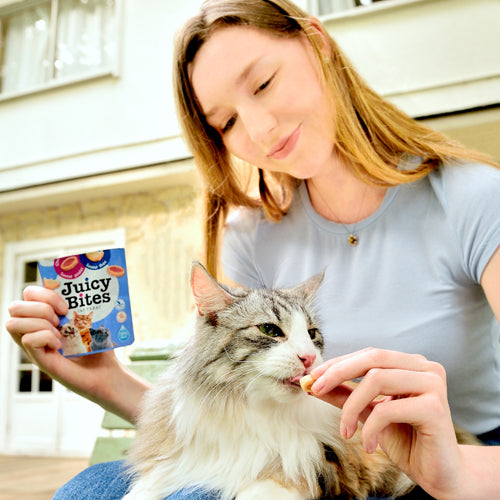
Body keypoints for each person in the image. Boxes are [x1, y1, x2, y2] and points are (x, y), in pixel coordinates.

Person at [6, 0, 500, 498]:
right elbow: (231, 426)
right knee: (88, 489)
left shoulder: (472, 197)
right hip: (307, 456)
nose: (259, 130)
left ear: (317, 43)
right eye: (226, 123)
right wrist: (106, 380)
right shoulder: (250, 234)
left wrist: (452, 468)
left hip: (456, 467)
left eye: (263, 84)